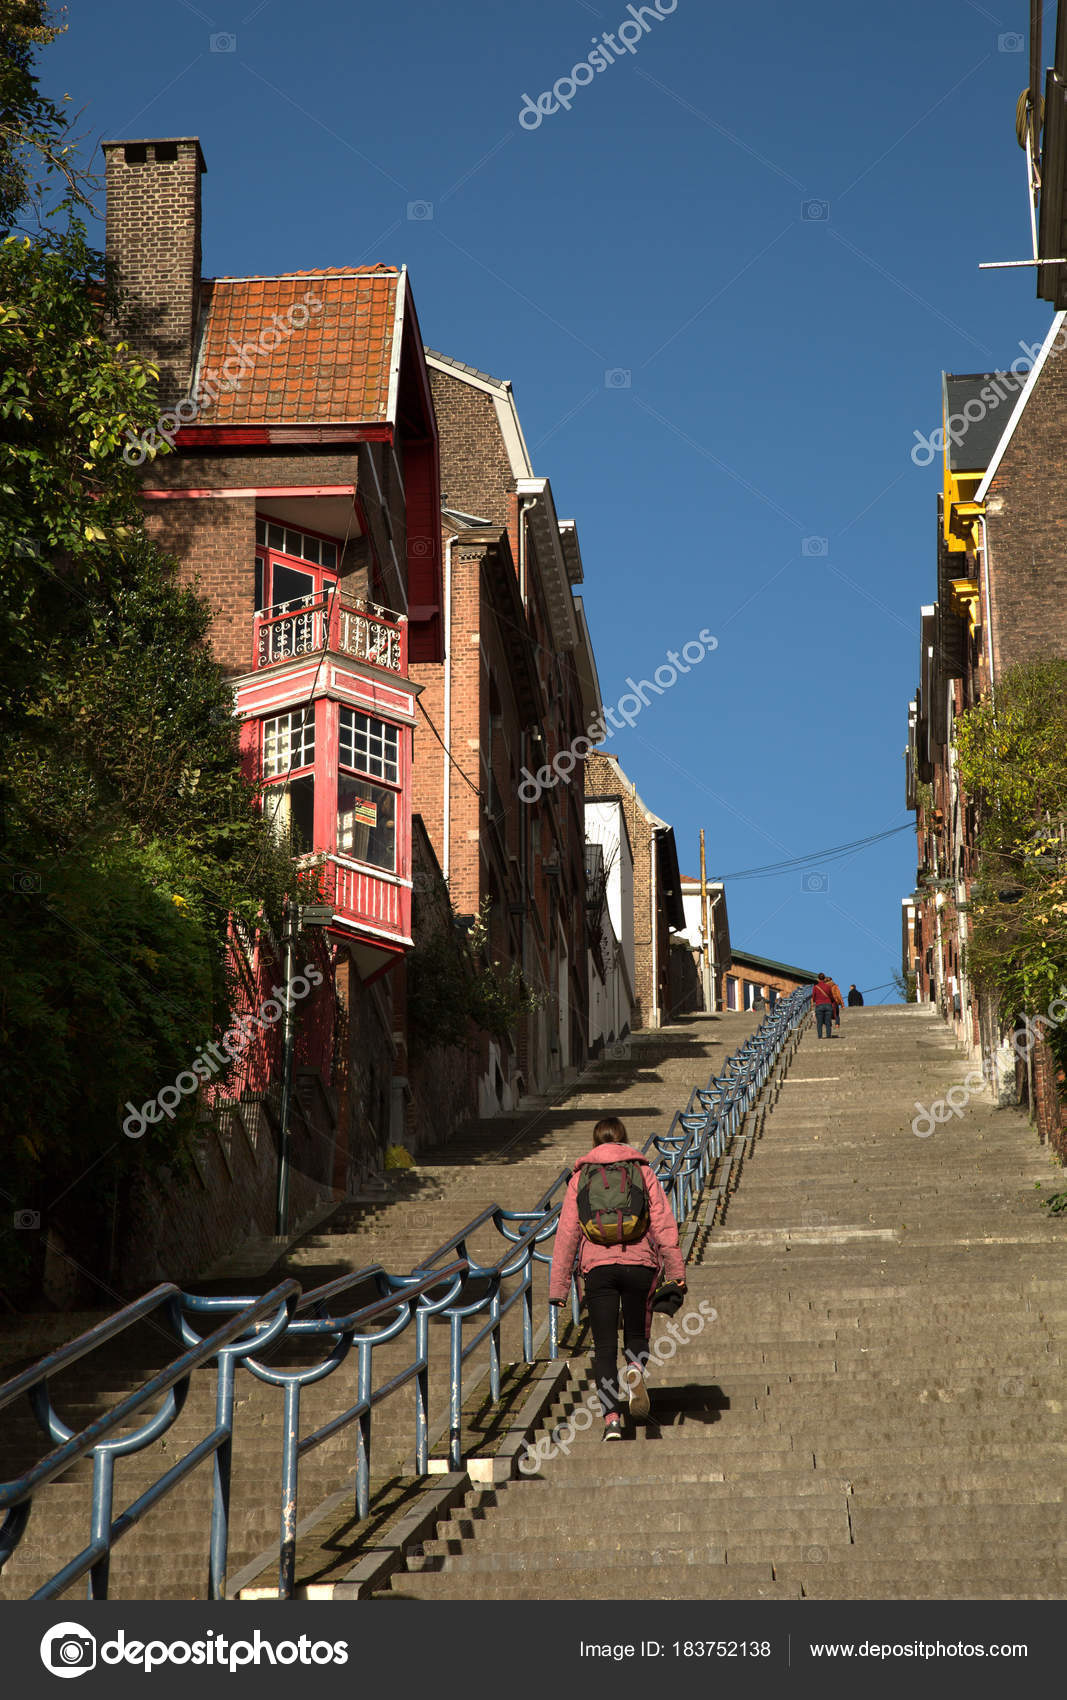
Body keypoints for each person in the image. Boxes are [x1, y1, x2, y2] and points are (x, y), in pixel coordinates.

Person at [548, 1117, 686, 1440]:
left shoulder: (580, 1177)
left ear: (595, 1143)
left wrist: (558, 1287)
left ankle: (611, 1419)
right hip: (640, 1265)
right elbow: (664, 1224)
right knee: (636, 1332)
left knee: (605, 1347)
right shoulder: (643, 1171)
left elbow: (567, 1234)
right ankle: (635, 1369)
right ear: (624, 1140)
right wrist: (676, 1272)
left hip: (598, 1269)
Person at [811, 973, 836, 1039]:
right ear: (824, 978)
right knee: (828, 1021)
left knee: (819, 1022)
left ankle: (820, 1036)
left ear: (818, 979)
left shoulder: (815, 987)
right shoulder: (828, 987)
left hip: (819, 1005)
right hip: (828, 1005)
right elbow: (831, 996)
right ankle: (828, 1035)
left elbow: (813, 997)